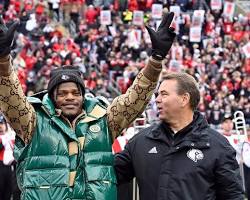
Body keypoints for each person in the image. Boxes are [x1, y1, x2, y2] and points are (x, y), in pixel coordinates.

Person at [0, 13, 176, 200]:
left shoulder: (104, 120)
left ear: (84, 96)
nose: (70, 98)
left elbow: (135, 99)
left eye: (76, 93)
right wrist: (3, 60)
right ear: (52, 97)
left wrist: (156, 60)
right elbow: (11, 98)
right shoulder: (32, 121)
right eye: (63, 93)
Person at [114, 72, 244, 200]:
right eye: (157, 95)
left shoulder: (218, 146)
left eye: (164, 94)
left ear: (184, 99)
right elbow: (109, 174)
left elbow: (233, 195)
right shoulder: (141, 141)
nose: (157, 100)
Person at [0, 114, 15, 200]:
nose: (0, 126)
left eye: (2, 123)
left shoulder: (11, 135)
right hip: (1, 165)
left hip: (10, 167)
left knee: (9, 191)